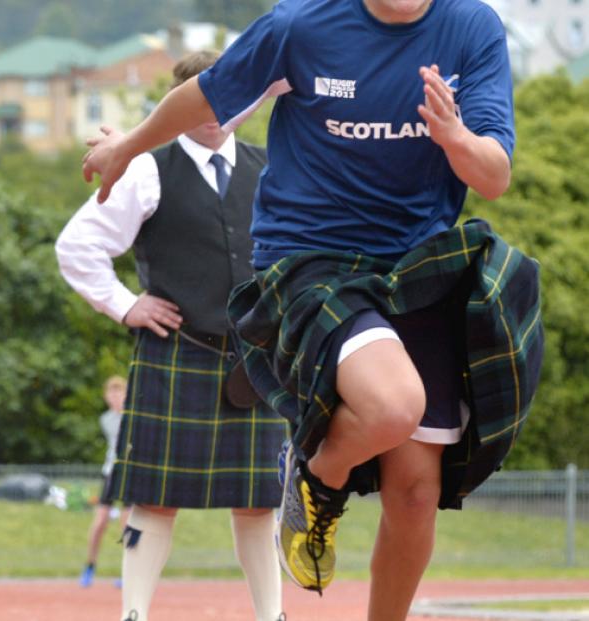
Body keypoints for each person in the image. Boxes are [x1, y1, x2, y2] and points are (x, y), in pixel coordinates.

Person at [82, 2, 544, 620]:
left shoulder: (472, 27)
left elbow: (493, 176)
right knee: (392, 406)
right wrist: (131, 148)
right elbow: (207, 95)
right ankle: (316, 474)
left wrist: (455, 138)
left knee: (415, 494)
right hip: (313, 257)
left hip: (418, 265)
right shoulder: (302, 24)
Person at [58, 50, 289, 621]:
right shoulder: (145, 167)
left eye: (227, 94)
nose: (215, 110)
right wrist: (126, 304)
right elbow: (78, 247)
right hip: (178, 353)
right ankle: (133, 614)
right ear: (176, 105)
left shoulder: (273, 167)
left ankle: (273, 615)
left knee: (261, 504)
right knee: (154, 501)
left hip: (256, 362)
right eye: (201, 98)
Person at [79, 375, 131, 588]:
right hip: (111, 472)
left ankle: (129, 571)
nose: (115, 397)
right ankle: (90, 565)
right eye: (112, 393)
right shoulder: (106, 420)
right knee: (100, 521)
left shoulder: (133, 416)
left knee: (127, 524)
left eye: (119, 392)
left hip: (130, 473)